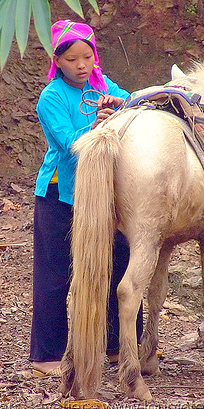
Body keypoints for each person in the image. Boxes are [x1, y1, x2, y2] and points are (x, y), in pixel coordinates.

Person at [30, 20, 143, 376]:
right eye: (72, 58)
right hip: (59, 194)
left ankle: (117, 346)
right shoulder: (51, 97)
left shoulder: (102, 84)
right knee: (55, 275)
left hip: (105, 194)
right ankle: (46, 355)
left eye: (87, 56)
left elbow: (134, 103)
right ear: (57, 61)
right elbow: (68, 143)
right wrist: (96, 122)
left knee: (120, 263)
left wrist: (120, 103)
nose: (82, 65)